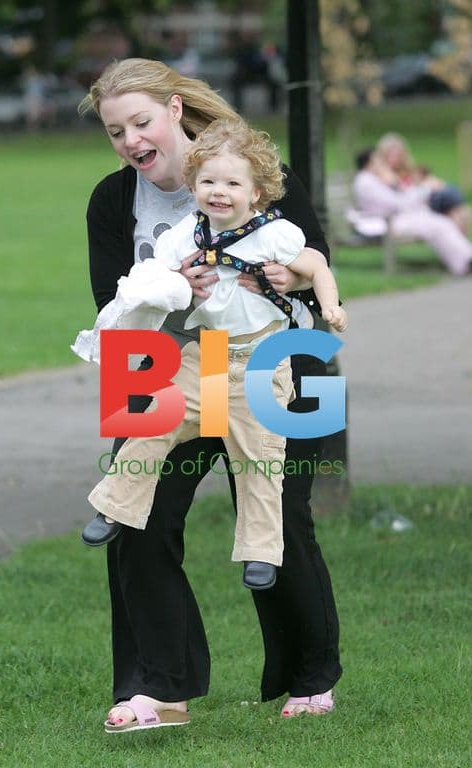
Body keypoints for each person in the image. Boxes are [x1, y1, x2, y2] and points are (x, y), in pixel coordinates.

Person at [78, 57, 343, 733]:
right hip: (165, 364)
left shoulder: (253, 174)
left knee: (281, 513)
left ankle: (311, 678)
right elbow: (112, 306)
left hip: (280, 357)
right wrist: (172, 301)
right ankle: (158, 690)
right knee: (135, 514)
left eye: (141, 121)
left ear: (174, 111)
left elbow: (316, 266)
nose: (131, 140)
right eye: (115, 131)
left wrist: (287, 277)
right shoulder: (113, 203)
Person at [80, 118, 347, 593]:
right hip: (204, 357)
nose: (218, 192)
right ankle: (114, 505)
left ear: (257, 192)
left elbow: (317, 263)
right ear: (193, 185)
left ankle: (260, 553)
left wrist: (324, 301)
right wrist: (170, 284)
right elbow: (150, 283)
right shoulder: (185, 235)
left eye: (231, 183)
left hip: (261, 361)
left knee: (261, 461)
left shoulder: (275, 234)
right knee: (149, 427)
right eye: (207, 182)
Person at [352, 147, 472, 276]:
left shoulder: (373, 179)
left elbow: (398, 201)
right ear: (369, 162)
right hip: (387, 222)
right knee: (438, 225)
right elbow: (397, 203)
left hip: (396, 218)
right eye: (377, 159)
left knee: (441, 223)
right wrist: (423, 189)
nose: (381, 162)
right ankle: (463, 263)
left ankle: (464, 260)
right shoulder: (366, 181)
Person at [377, 132, 470, 236]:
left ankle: (460, 248)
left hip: (423, 200)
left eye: (398, 155)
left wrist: (429, 183)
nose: (395, 158)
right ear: (383, 156)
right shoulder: (384, 173)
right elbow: (402, 193)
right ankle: (461, 248)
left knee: (458, 210)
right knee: (451, 199)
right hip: (414, 206)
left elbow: (426, 182)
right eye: (391, 155)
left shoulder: (409, 170)